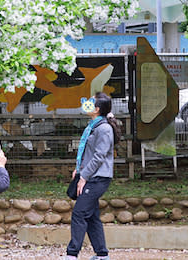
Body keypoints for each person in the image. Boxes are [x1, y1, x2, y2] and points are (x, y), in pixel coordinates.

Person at [66, 92, 121, 260]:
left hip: (98, 178)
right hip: (90, 175)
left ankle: (72, 254)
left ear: (97, 109)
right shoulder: (93, 125)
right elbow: (88, 153)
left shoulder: (103, 128)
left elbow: (99, 156)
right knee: (91, 215)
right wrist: (79, 169)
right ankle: (102, 254)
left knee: (79, 213)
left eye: (90, 102)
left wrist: (84, 177)